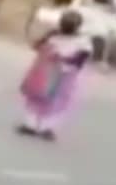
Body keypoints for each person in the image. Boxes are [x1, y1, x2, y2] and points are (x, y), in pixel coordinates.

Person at [17, 9, 93, 141]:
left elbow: (80, 61)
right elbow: (36, 46)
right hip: (43, 72)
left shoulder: (83, 42)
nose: (66, 26)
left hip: (64, 76)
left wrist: (62, 59)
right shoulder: (53, 35)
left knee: (55, 102)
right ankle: (30, 125)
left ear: (76, 26)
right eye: (65, 23)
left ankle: (46, 128)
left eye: (69, 25)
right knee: (36, 98)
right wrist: (46, 40)